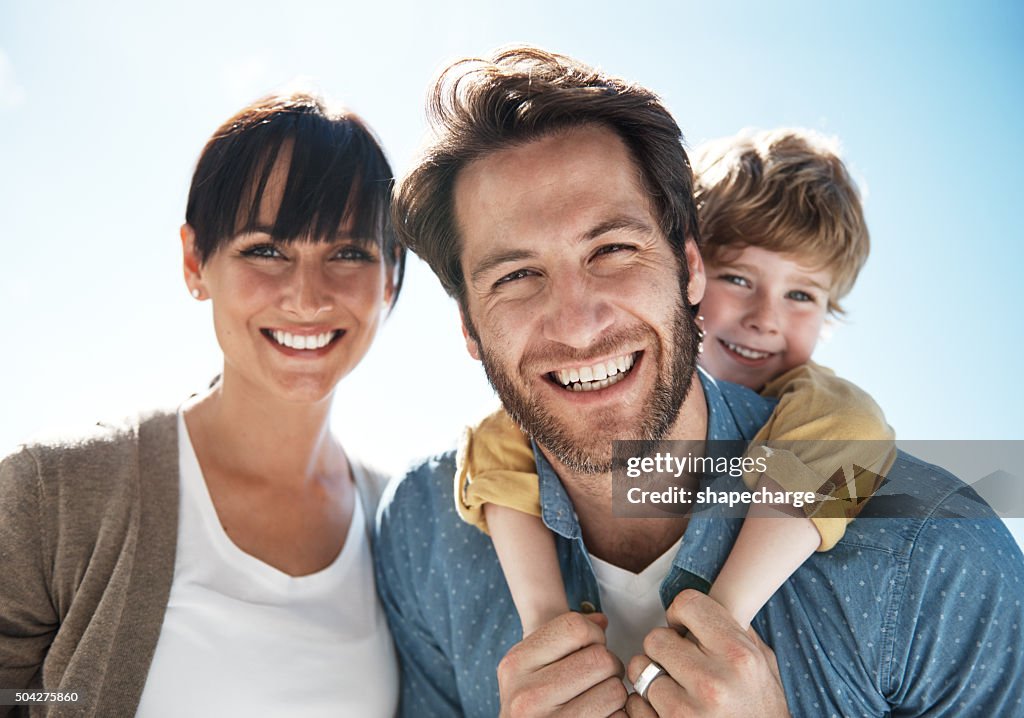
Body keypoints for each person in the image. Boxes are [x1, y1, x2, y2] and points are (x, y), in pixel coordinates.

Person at [375, 46, 1024, 717]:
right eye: (515, 276)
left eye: (612, 250)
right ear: (470, 329)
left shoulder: (935, 559)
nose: (576, 323)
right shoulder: (425, 534)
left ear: (689, 270)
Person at [0, 92, 405, 716]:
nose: (306, 297)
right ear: (195, 261)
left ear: (392, 278)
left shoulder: (403, 526)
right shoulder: (52, 489)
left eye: (349, 253)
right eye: (265, 250)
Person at [455, 127, 895, 638]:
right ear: (690, 272)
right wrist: (545, 624)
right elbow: (496, 442)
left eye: (801, 296)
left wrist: (723, 617)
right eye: (739, 279)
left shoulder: (825, 405)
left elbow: (854, 436)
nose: (764, 318)